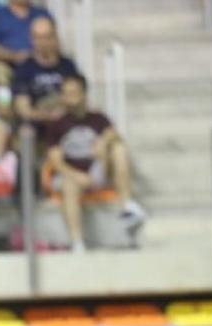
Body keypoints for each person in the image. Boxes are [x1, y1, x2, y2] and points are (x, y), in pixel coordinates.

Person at [45, 74, 146, 251]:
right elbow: (55, 161)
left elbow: (114, 134)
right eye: (66, 94)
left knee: (119, 149)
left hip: (97, 170)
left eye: (74, 93)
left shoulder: (98, 118)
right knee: (69, 185)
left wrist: (104, 141)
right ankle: (77, 243)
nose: (71, 99)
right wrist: (77, 176)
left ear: (84, 94)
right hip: (70, 174)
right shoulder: (57, 124)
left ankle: (127, 206)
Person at [12, 16, 79, 130]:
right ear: (32, 39)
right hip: (36, 129)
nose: (43, 43)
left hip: (66, 126)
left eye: (47, 37)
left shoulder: (68, 66)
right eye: (38, 37)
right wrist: (48, 116)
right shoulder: (24, 69)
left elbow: (77, 98)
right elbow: (23, 110)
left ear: (55, 37)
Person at [0, 0, 52, 66]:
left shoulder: (42, 14)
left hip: (40, 63)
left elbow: (53, 41)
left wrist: (33, 57)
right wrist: (14, 56)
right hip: (6, 64)